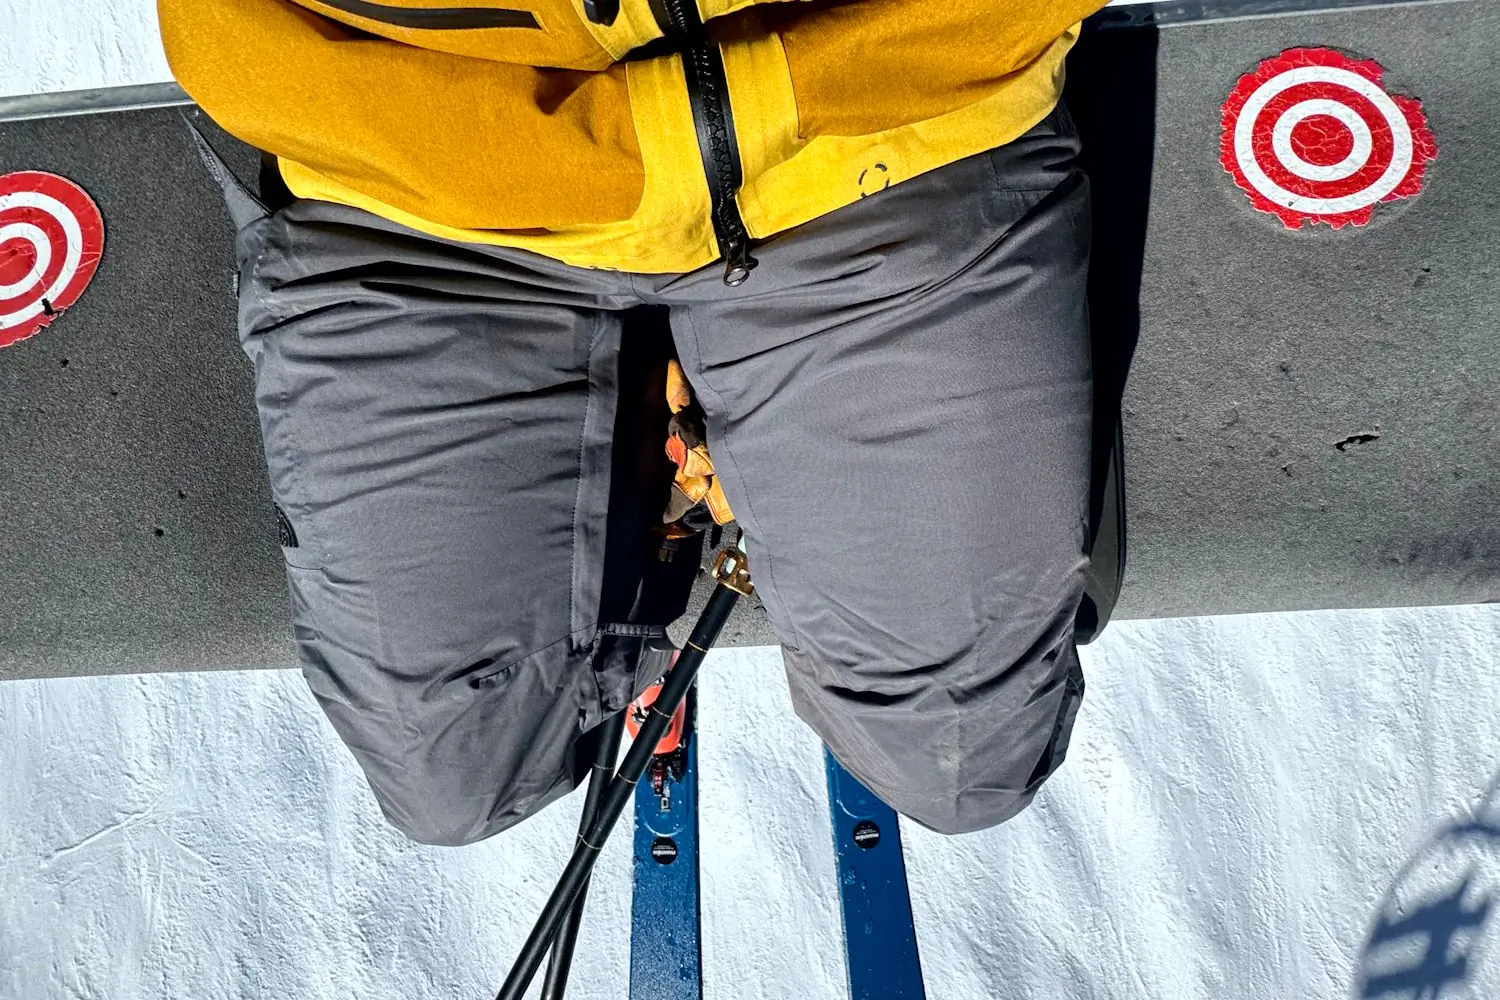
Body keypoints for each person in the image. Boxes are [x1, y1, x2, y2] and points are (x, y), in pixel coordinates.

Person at [158, 0, 1103, 846]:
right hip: (423, 192)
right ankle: (643, 507)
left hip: (871, 140)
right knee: (447, 779)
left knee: (960, 767)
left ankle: (752, 452)